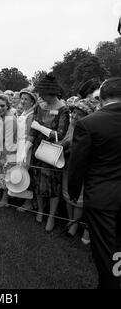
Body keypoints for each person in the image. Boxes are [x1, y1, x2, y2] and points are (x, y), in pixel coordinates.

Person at [68, 77, 121, 289]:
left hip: (102, 198)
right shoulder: (90, 123)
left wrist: (73, 191)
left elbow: (78, 164)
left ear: (101, 97)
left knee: (106, 251)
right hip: (107, 195)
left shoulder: (89, 123)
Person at [28, 73, 69, 232]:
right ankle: (40, 210)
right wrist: (27, 146)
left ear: (50, 93)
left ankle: (51, 216)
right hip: (38, 149)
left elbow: (60, 135)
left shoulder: (63, 109)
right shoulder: (40, 106)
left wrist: (41, 128)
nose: (40, 96)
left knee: (52, 185)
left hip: (52, 151)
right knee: (37, 181)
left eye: (42, 93)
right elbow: (33, 128)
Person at [61, 99, 97, 242]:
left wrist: (70, 148)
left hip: (80, 170)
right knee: (67, 194)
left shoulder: (90, 130)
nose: (75, 116)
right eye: (74, 112)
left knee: (78, 198)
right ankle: (71, 221)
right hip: (66, 166)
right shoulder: (70, 126)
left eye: (79, 114)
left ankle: (75, 225)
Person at [15, 87, 37, 212]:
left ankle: (28, 203)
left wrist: (24, 150)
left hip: (26, 148)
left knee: (26, 173)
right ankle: (23, 198)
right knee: (22, 171)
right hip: (20, 145)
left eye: (26, 99)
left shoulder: (31, 115)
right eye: (22, 98)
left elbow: (30, 134)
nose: (22, 101)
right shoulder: (23, 113)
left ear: (32, 102)